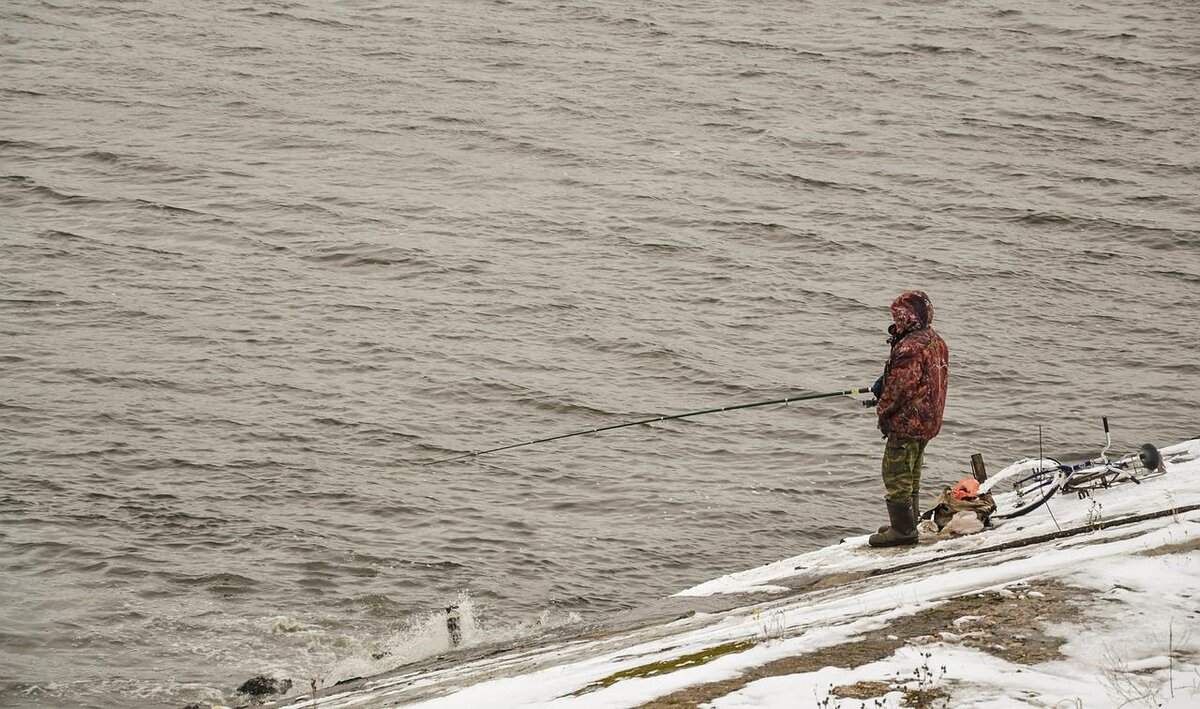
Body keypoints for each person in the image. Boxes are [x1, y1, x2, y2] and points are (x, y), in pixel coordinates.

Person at [868, 290, 949, 548]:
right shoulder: (935, 340)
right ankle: (906, 522)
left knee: (896, 474)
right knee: (912, 472)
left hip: (908, 422)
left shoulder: (910, 347)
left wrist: (882, 408)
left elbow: (899, 390)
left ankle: (903, 531)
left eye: (899, 316)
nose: (896, 320)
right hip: (927, 420)